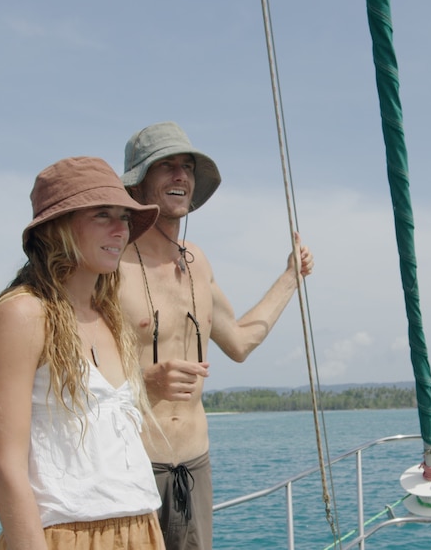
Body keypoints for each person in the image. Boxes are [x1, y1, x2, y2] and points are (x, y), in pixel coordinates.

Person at [119, 121, 314, 550]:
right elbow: (78, 374)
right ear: (136, 185)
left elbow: (240, 341)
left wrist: (290, 278)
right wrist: (144, 380)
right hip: (130, 469)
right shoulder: (110, 267)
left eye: (186, 167)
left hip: (194, 467)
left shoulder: (198, 262)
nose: (180, 175)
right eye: (165, 166)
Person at [0, 156, 167, 550]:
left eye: (124, 217)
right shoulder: (23, 313)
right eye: (102, 214)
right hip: (64, 536)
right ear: (58, 228)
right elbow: (5, 468)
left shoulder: (109, 317)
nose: (119, 229)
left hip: (140, 529)